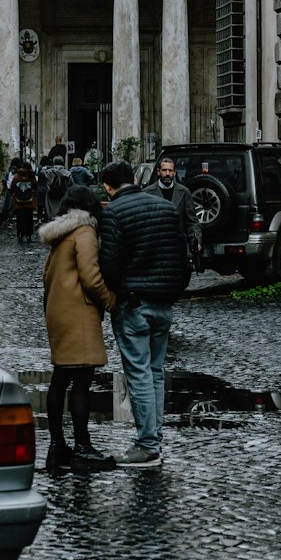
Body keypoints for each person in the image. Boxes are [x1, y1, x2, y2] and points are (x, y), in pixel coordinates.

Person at [99, 159, 190, 468]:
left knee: (139, 373)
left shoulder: (112, 212)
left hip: (134, 303)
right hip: (164, 301)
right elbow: (182, 254)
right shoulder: (166, 208)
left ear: (108, 187)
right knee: (155, 372)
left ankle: (147, 444)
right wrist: (175, 289)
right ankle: (155, 437)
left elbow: (109, 266)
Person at [39, 185, 117, 475]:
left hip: (59, 311)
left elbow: (47, 275)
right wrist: (110, 301)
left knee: (61, 379)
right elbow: (91, 275)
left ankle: (57, 445)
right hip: (79, 312)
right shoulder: (84, 232)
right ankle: (82, 446)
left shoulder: (60, 233)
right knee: (82, 381)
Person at [145, 156, 203, 271]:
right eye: (164, 170)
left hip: (177, 248)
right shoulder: (147, 193)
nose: (167, 174)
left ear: (174, 172)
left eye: (170, 171)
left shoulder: (183, 192)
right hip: (155, 248)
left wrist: (196, 241)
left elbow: (192, 220)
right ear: (158, 172)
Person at [9, 159, 38, 243]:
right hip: (29, 202)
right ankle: (29, 236)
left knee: (20, 220)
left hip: (19, 203)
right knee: (29, 219)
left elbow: (12, 187)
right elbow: (35, 187)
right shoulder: (31, 176)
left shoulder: (17, 176)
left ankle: (20, 235)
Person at [43, 158, 71, 222]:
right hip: (64, 194)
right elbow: (71, 184)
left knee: (51, 211)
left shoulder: (48, 172)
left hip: (51, 194)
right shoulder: (68, 173)